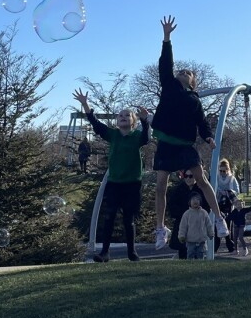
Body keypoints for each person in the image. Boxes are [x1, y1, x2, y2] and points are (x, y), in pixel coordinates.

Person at [151, 16, 227, 248]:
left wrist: (208, 136)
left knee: (202, 180)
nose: (184, 72)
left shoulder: (194, 100)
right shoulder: (169, 85)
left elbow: (201, 122)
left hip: (184, 145)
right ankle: (160, 228)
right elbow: (166, 65)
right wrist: (166, 38)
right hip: (166, 143)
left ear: (193, 82)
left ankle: (219, 219)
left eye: (188, 72)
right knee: (161, 185)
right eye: (181, 71)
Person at [75, 90, 151, 262]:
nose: (123, 117)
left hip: (132, 184)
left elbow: (146, 138)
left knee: (129, 219)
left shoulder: (136, 136)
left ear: (133, 121)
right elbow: (95, 123)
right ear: (117, 121)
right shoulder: (113, 135)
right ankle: (105, 252)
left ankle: (132, 252)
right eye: (120, 115)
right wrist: (85, 104)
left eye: (127, 115)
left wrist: (145, 120)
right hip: (114, 183)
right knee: (109, 216)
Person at [167, 171, 206, 259]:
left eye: (191, 176)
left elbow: (206, 205)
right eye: (186, 176)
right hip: (182, 223)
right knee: (183, 251)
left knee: (198, 251)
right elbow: (172, 205)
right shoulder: (178, 189)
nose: (188, 178)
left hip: (197, 224)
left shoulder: (201, 189)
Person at [178, 193, 215, 260]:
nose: (195, 201)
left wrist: (211, 233)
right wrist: (181, 236)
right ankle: (190, 264)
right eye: (193, 199)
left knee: (201, 254)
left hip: (201, 240)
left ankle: (200, 264)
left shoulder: (204, 213)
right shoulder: (187, 214)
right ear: (189, 202)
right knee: (190, 253)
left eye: (197, 199)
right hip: (190, 240)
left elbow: (208, 224)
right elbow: (183, 226)